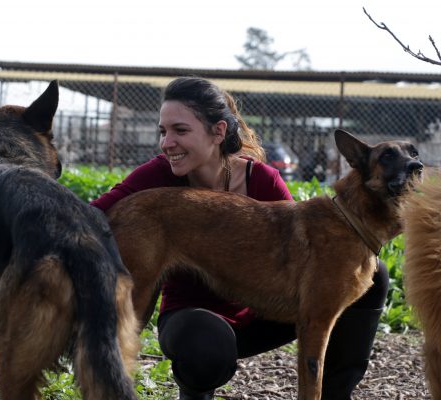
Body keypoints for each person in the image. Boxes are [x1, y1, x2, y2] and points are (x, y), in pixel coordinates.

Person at [91, 77, 389, 400]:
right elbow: (93, 214)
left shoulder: (263, 180)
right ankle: (193, 391)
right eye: (163, 132)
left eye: (180, 130)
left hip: (262, 316)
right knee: (205, 345)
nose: (167, 143)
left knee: (374, 274)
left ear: (218, 132)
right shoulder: (157, 176)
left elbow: (304, 258)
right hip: (194, 322)